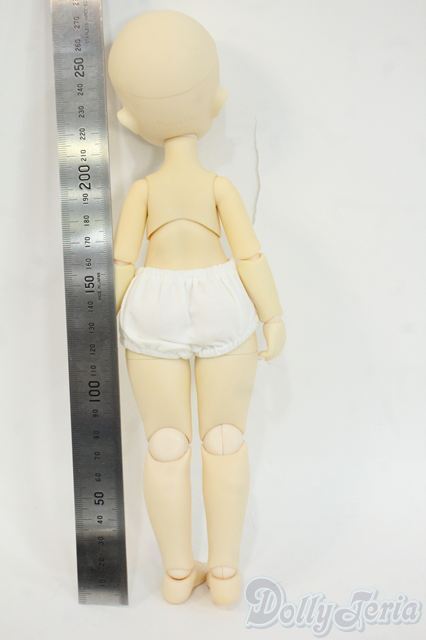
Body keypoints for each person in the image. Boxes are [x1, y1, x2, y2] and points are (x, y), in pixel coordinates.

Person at [108, 10, 285, 605]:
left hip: (152, 302)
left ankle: (178, 573)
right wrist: (272, 315)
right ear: (217, 100)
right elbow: (250, 254)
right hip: (221, 299)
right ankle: (226, 574)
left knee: (165, 443)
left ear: (128, 119)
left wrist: (101, 323)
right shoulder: (217, 187)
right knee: (226, 438)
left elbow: (122, 263)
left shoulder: (143, 190)